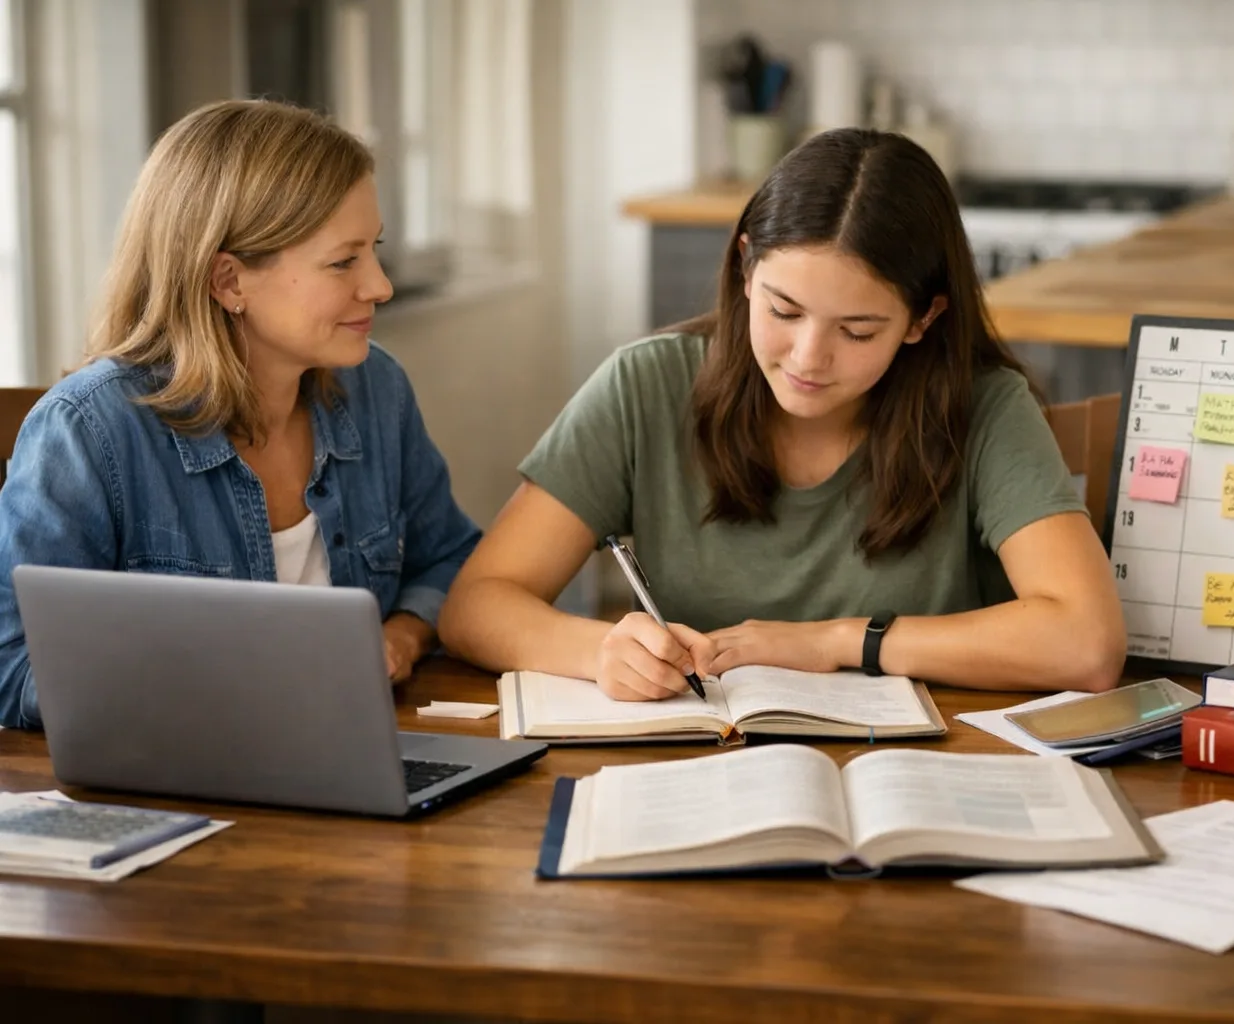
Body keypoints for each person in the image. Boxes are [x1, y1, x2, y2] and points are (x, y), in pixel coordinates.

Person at [437, 128, 1125, 702]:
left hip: (918, 777)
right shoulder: (645, 385)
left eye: (857, 332)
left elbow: (1086, 644)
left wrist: (832, 642)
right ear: (745, 268)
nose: (808, 357)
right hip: (699, 773)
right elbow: (478, 604)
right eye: (783, 311)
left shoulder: (982, 408)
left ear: (923, 319)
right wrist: (600, 649)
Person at [0, 99, 482, 729]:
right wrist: (204, 687)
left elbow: (450, 559)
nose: (380, 285)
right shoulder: (88, 431)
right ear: (228, 282)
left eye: (375, 250)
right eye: (344, 261)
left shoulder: (377, 389)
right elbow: (13, 669)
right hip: (173, 785)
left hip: (355, 752)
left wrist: (400, 637)